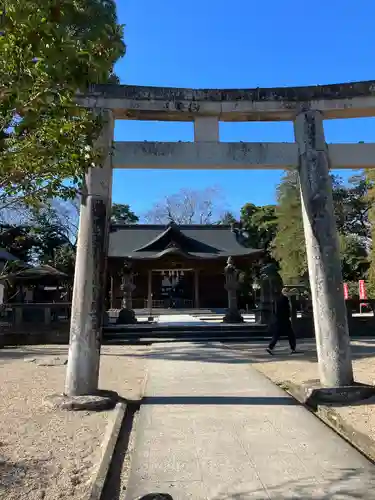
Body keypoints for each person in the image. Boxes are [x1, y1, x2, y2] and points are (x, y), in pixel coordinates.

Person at [266, 288, 297, 355]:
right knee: (291, 334)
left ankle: (270, 347)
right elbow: (285, 310)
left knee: (276, 335)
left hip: (278, 320)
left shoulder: (278, 299)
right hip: (284, 320)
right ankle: (293, 348)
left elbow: (275, 311)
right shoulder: (284, 300)